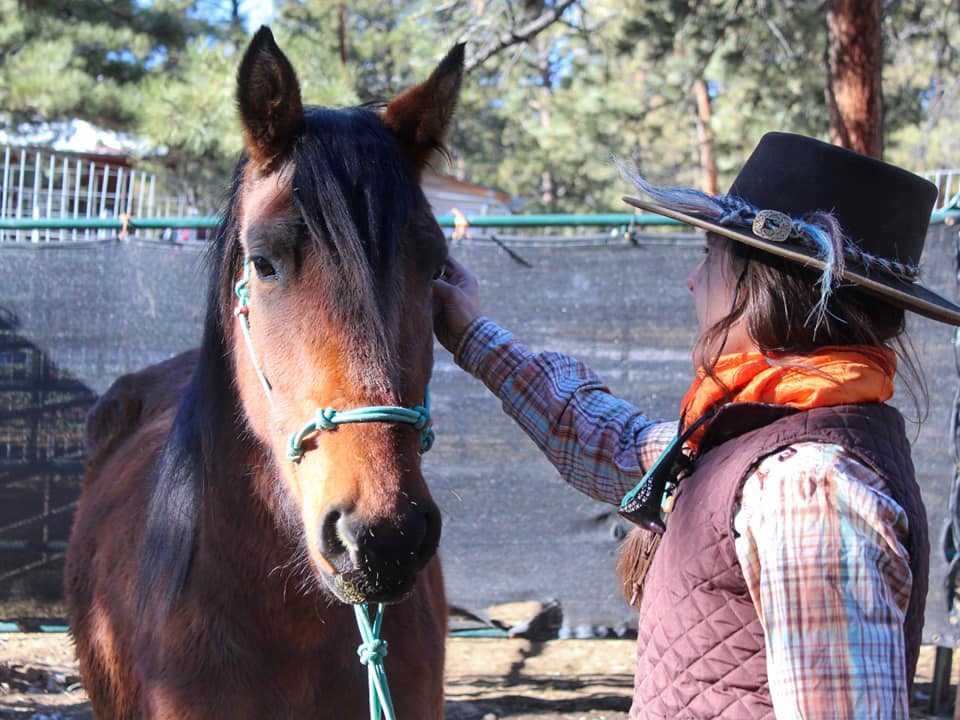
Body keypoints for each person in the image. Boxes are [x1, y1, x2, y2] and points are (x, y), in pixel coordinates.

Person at [431, 132, 960, 719]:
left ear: (761, 288)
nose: (691, 279)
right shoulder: (769, 439)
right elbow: (618, 444)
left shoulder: (807, 487)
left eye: (711, 254)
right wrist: (471, 335)